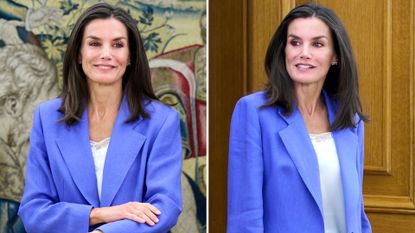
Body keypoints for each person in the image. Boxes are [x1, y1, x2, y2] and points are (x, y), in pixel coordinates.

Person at [18, 3, 182, 233]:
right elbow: (33, 212)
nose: (106, 54)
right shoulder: (47, 118)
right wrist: (100, 215)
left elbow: (166, 207)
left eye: (118, 45)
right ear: (78, 53)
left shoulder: (162, 121)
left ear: (130, 56)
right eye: (94, 43)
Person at [227, 3, 372, 233]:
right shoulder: (253, 113)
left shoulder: (350, 118)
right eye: (295, 42)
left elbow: (357, 210)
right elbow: (245, 217)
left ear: (335, 55)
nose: (304, 52)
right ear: (284, 50)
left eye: (317, 44)